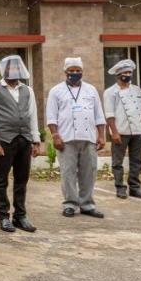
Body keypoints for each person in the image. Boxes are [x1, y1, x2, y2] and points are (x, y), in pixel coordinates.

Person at [0, 54, 41, 233]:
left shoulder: (27, 90)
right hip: (4, 141)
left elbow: (33, 115)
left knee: (22, 179)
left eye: (16, 68)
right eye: (10, 68)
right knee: (1, 180)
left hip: (24, 140)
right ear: (3, 70)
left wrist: (35, 139)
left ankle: (20, 216)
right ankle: (3, 216)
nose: (13, 71)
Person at [46, 57, 107, 219]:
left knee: (89, 172)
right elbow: (51, 117)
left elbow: (99, 115)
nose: (75, 73)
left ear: (82, 71)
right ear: (65, 72)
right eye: (71, 71)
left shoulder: (91, 90)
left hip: (88, 138)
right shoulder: (56, 91)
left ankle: (87, 205)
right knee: (68, 173)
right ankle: (71, 204)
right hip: (66, 139)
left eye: (78, 70)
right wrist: (55, 135)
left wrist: (101, 136)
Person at [104, 58, 141, 199]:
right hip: (121, 131)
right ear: (118, 75)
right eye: (125, 73)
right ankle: (120, 188)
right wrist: (114, 132)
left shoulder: (137, 90)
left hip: (138, 130)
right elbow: (109, 114)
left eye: (130, 72)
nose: (128, 75)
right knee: (117, 162)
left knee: (137, 160)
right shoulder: (110, 92)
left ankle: (135, 188)